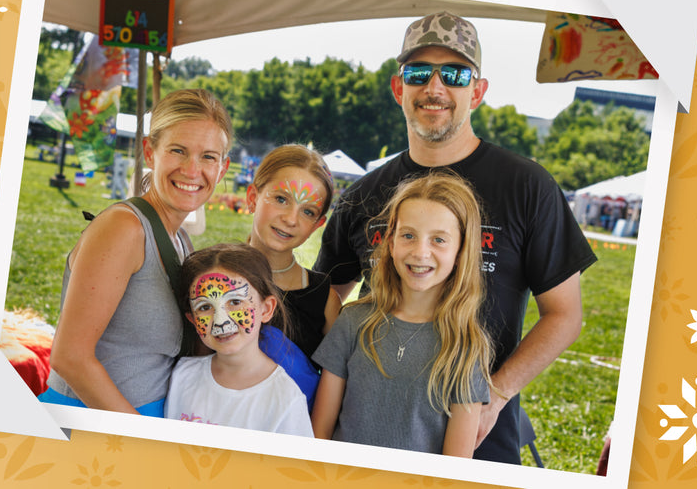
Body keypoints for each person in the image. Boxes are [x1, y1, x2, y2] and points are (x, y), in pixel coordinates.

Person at [314, 12, 595, 464]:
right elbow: (327, 291)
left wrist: (497, 395)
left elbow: (564, 315)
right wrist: (344, 359)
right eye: (419, 73)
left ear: (477, 92)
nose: (435, 88)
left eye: (456, 74)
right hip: (367, 436)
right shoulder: (365, 194)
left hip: (481, 439)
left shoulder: (527, 186)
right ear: (398, 88)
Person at [41, 89, 234, 416]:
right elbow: (70, 357)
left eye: (208, 157)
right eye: (178, 151)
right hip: (93, 422)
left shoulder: (182, 241)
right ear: (149, 151)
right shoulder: (124, 229)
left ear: (223, 168)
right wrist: (140, 438)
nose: (191, 169)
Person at [312, 173, 495, 456]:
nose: (421, 252)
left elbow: (456, 471)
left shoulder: (466, 346)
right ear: (391, 241)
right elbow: (319, 435)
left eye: (438, 240)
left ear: (461, 250)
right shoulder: (352, 322)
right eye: (408, 235)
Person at [165, 243, 315, 436]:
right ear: (192, 320)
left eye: (235, 302)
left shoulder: (285, 399)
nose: (220, 321)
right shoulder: (182, 376)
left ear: (266, 309)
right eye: (204, 307)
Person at [244, 144, 337, 361]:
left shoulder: (326, 301)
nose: (291, 219)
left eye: (307, 211)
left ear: (317, 225)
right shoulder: (213, 273)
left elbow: (334, 380)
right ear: (252, 198)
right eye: (281, 199)